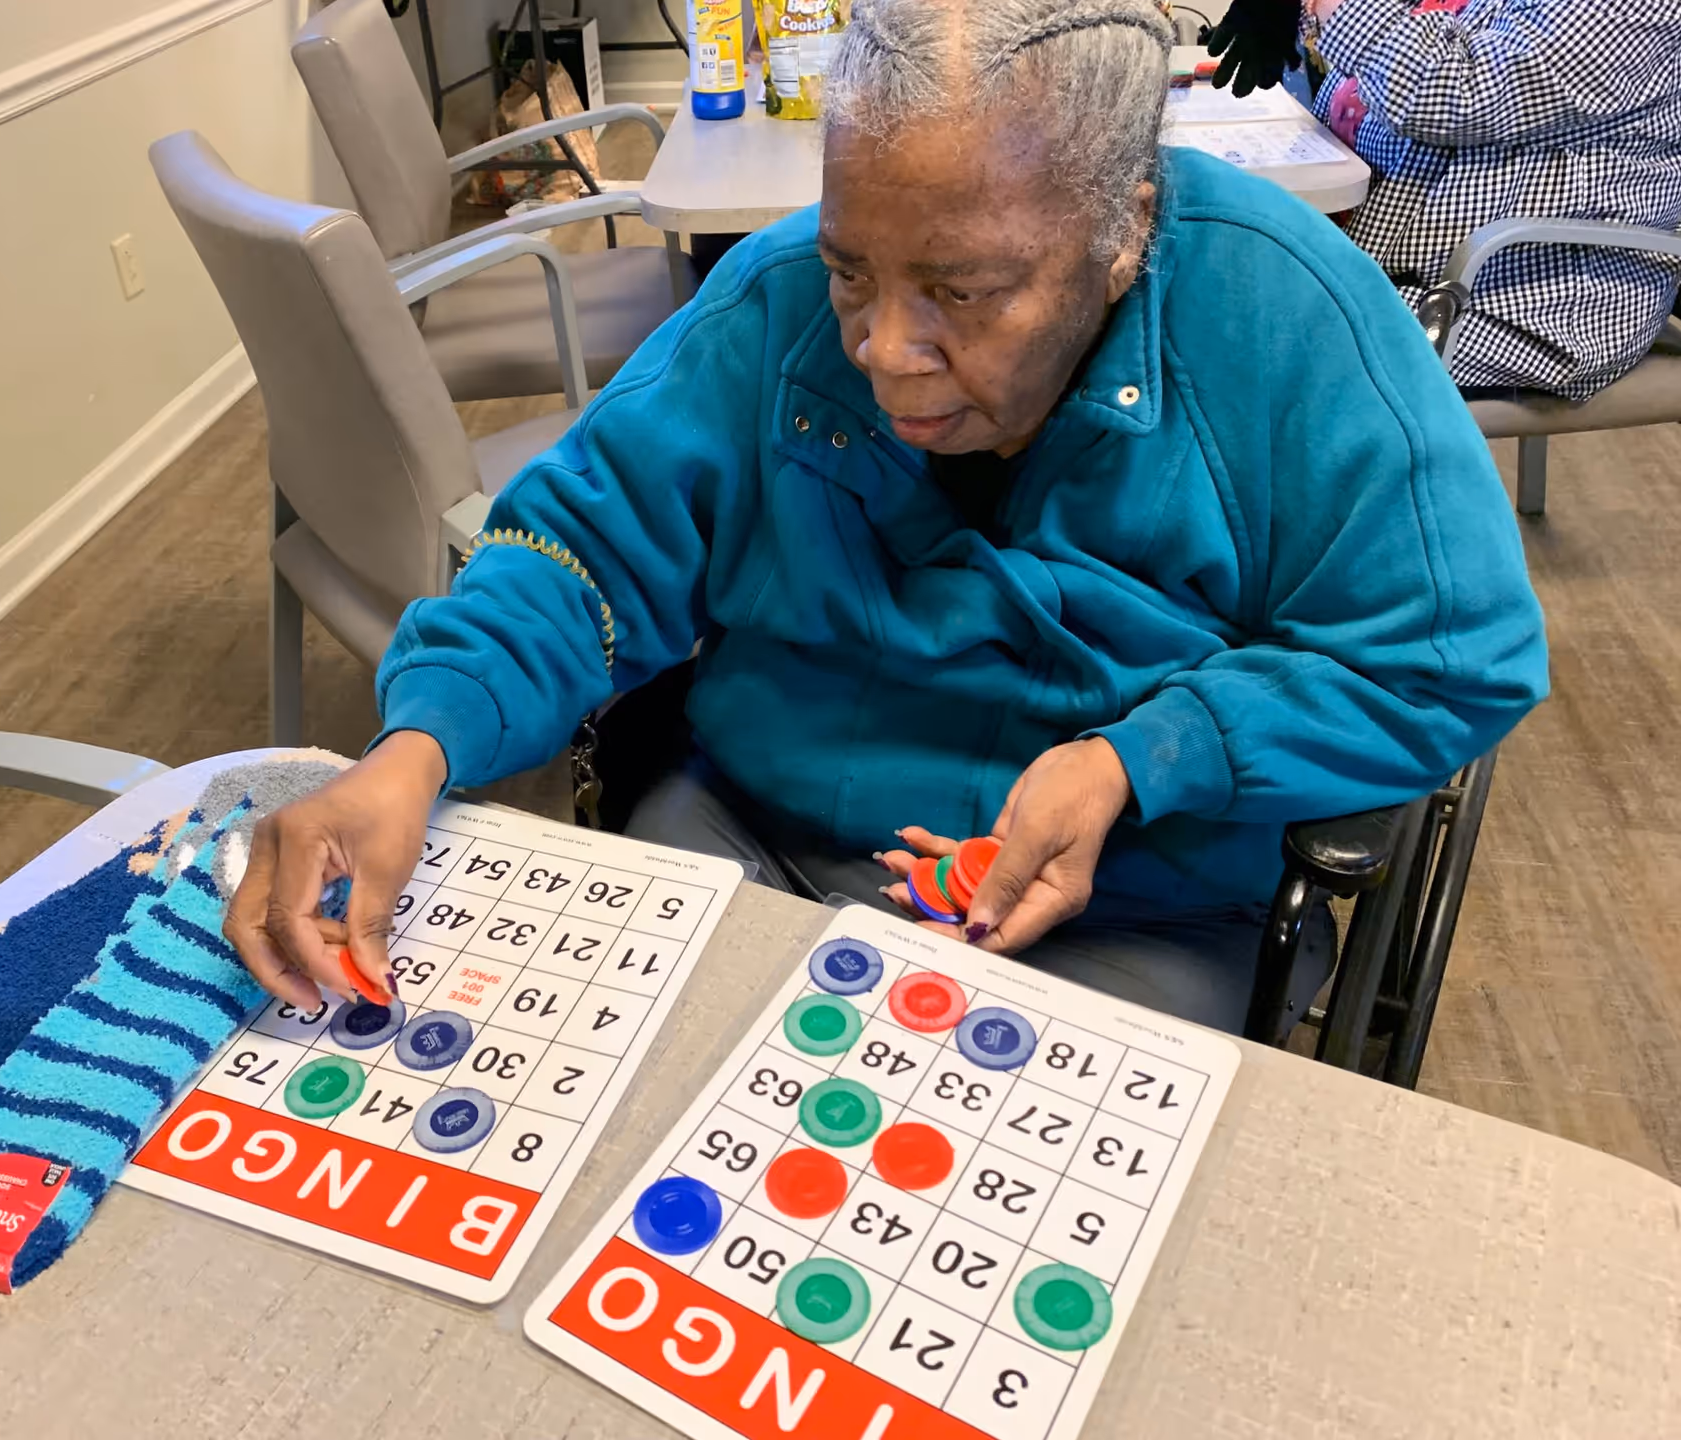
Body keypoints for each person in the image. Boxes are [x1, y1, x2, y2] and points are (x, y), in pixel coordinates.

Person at [225, 0, 1548, 1035]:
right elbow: (575, 557)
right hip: (753, 842)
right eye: (852, 268)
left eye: (965, 293)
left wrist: (1140, 759)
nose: (884, 350)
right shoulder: (773, 303)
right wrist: (413, 746)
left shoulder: (1289, 317)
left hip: (1131, 914)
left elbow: (1450, 654)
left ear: (1125, 231)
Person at [1304, 0, 1681, 400]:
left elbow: (1447, 95)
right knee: (1245, 284)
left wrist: (1340, 8)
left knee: (1262, 325)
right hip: (1399, 265)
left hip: (1517, 305)